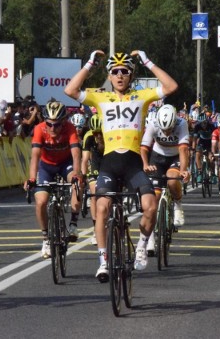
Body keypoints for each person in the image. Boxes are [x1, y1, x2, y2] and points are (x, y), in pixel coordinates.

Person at [64, 50, 178, 282]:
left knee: (150, 207)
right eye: (114, 71)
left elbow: (170, 86)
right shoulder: (101, 97)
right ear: (109, 75)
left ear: (131, 75)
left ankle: (142, 246)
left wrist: (147, 60)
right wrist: (90, 63)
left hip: (134, 164)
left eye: (124, 71)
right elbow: (70, 90)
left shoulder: (141, 96)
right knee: (102, 208)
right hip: (110, 162)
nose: (119, 75)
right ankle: (103, 261)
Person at [24, 100, 82, 259]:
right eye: (49, 124)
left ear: (64, 121)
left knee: (77, 183)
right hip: (46, 166)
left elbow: (76, 154)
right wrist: (31, 178)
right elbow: (35, 156)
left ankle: (73, 224)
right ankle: (45, 239)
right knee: (41, 201)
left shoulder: (70, 128)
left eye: (57, 125)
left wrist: (77, 174)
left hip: (66, 164)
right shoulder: (39, 129)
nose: (52, 128)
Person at [140, 104, 190, 255]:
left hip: (175, 156)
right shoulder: (153, 124)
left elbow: (183, 150)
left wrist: (183, 171)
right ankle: (150, 238)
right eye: (164, 129)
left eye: (169, 129)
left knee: (173, 180)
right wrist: (145, 165)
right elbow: (144, 148)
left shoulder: (182, 124)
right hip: (157, 157)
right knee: (153, 200)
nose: (167, 133)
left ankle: (178, 204)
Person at [81, 114, 104, 245]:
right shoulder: (88, 136)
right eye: (95, 133)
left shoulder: (109, 134)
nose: (98, 136)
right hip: (95, 164)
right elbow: (84, 160)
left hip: (109, 162)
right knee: (94, 193)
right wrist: (83, 176)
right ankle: (96, 229)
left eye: (100, 133)